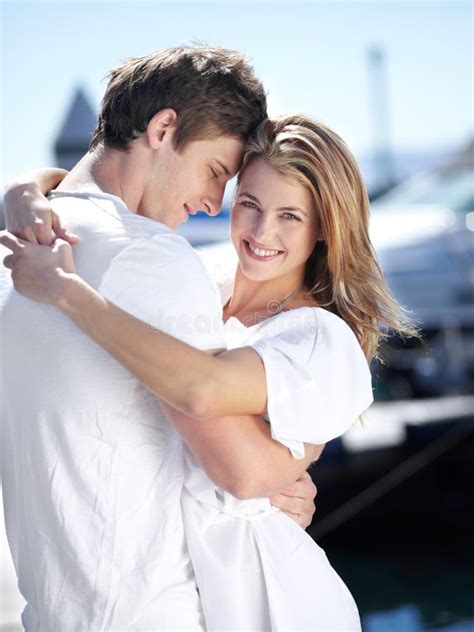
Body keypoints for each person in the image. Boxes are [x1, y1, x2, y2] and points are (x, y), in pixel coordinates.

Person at [2, 113, 416, 629]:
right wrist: (22, 188)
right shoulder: (200, 277)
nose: (262, 232)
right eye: (249, 204)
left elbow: (216, 416)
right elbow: (82, 186)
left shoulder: (319, 338)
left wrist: (66, 292)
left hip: (267, 602)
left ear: (325, 230)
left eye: (291, 216)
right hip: (171, 584)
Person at [0, 47, 318, 631]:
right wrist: (296, 465)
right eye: (216, 173)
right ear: (163, 128)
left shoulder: (19, 243)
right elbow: (241, 470)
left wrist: (24, 185)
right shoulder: (152, 255)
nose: (211, 205)